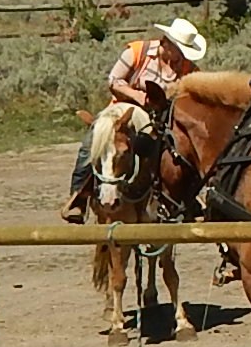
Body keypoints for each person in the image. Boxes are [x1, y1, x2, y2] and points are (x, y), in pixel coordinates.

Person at [63, 16, 209, 222]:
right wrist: (138, 96)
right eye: (179, 50)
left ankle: (186, 199)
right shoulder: (137, 52)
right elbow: (114, 81)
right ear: (165, 43)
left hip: (160, 118)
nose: (181, 56)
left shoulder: (189, 70)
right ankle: (79, 197)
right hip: (121, 108)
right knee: (93, 140)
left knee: (181, 151)